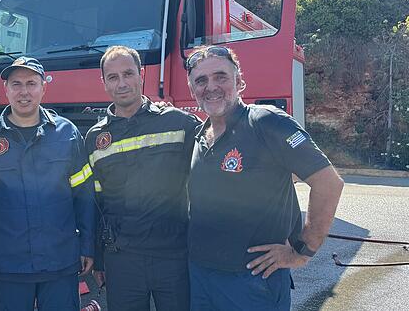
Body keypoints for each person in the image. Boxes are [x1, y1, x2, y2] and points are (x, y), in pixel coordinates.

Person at [185, 45, 344, 311]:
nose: (211, 86)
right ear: (192, 90)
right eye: (201, 80)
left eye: (220, 77)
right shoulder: (200, 135)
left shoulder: (266, 122)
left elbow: (328, 183)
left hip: (252, 282)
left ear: (239, 81)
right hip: (201, 275)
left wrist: (301, 252)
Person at [0, 56, 96, 311]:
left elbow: (84, 196)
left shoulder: (67, 134)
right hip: (9, 268)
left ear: (43, 88)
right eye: (16, 84)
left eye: (31, 83)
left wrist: (88, 244)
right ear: (6, 90)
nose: (24, 91)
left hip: (60, 264)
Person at [85, 46, 200, 311]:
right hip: (123, 259)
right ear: (103, 83)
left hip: (174, 255)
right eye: (112, 77)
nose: (121, 83)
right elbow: (96, 202)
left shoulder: (179, 123)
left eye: (128, 74)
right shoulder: (94, 139)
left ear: (142, 75)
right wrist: (100, 258)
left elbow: (214, 179)